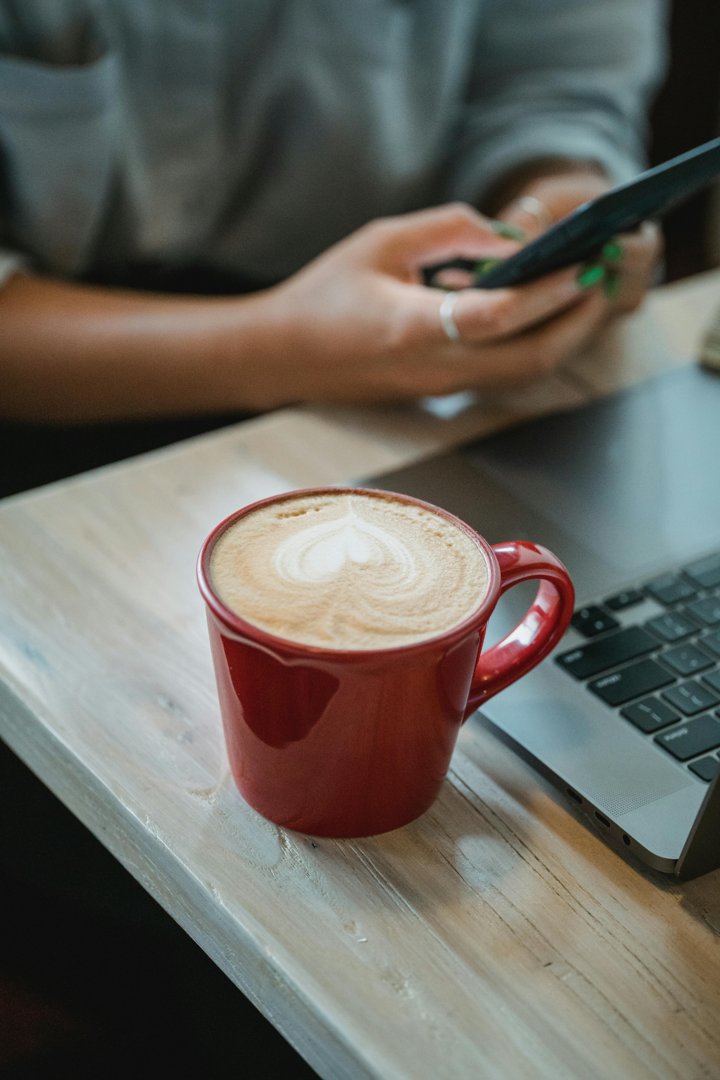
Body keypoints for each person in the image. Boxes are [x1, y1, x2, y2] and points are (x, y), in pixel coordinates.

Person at [0, 1, 665, 467]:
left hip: (420, 349)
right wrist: (277, 348)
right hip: (46, 381)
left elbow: (557, 92)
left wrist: (553, 212)